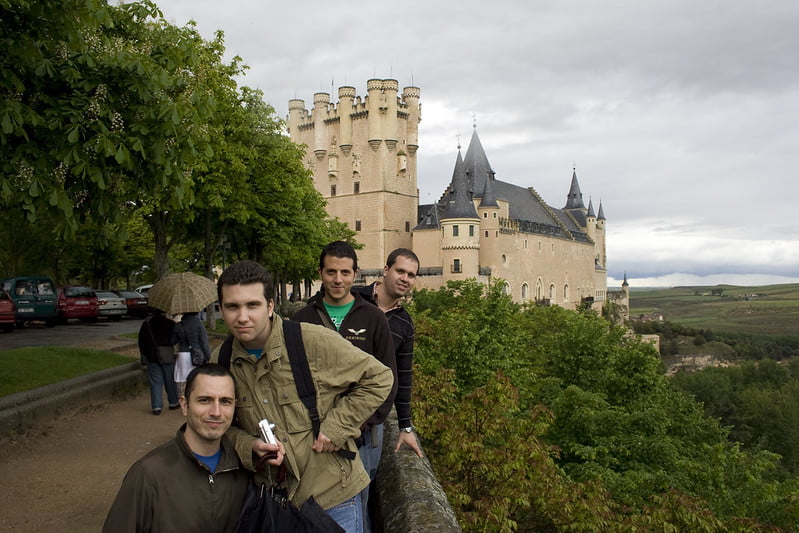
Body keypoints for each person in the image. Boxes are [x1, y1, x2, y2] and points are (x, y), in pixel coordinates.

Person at [212, 260, 394, 533]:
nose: (242, 317)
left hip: (333, 496)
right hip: (275, 503)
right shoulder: (222, 361)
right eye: (232, 307)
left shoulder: (311, 341)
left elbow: (380, 377)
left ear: (270, 306)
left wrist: (336, 426)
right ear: (221, 308)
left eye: (253, 305)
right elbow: (219, 426)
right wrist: (249, 445)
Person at [292, 241, 397, 532]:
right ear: (320, 273)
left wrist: (359, 425)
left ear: (355, 274)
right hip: (313, 431)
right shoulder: (302, 320)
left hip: (361, 432)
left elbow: (388, 378)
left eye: (345, 272)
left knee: (357, 503)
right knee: (314, 502)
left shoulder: (373, 318)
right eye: (331, 272)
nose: (338, 280)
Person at [103, 364, 250, 532]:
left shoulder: (243, 468)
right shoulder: (148, 474)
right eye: (204, 400)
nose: (216, 412)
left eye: (225, 401)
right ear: (184, 405)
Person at [353, 248, 424, 458]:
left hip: (373, 421)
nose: (405, 279)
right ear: (386, 270)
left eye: (411, 275)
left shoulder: (405, 324)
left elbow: (402, 376)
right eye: (400, 271)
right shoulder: (355, 299)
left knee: (365, 482)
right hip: (335, 409)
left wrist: (405, 427)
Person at [138, 309, 180, 415]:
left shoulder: (146, 324)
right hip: (167, 354)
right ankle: (173, 402)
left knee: (155, 381)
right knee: (170, 379)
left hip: (151, 355)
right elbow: (175, 339)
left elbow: (141, 340)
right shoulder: (170, 323)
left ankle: (156, 406)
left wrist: (144, 353)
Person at [173, 311, 211, 395]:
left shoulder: (179, 325)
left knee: (182, 379)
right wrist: (207, 356)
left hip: (182, 355)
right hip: (196, 355)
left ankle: (182, 396)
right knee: (196, 378)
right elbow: (204, 342)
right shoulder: (199, 324)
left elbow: (173, 341)